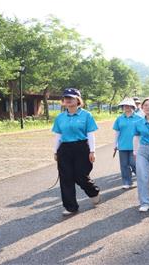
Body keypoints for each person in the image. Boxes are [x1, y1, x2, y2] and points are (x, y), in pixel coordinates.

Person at [52, 88, 100, 216]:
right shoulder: (60, 117)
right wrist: (55, 151)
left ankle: (93, 191)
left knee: (80, 176)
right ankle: (70, 207)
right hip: (65, 149)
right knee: (66, 178)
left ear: (78, 100)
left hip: (81, 148)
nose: (67, 100)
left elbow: (90, 134)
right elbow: (58, 135)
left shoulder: (86, 115)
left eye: (71, 98)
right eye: (65, 98)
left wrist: (92, 151)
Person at [113, 97, 143, 189]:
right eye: (124, 106)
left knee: (134, 163)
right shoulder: (119, 119)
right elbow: (117, 132)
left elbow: (142, 132)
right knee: (124, 165)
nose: (126, 107)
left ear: (133, 106)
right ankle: (127, 182)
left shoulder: (139, 118)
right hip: (122, 145)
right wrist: (115, 145)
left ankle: (141, 179)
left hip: (136, 146)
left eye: (128, 105)